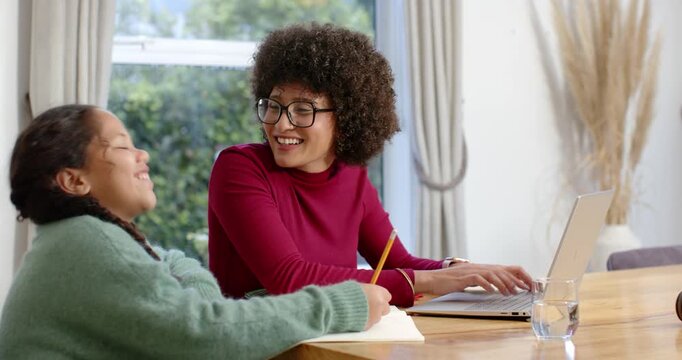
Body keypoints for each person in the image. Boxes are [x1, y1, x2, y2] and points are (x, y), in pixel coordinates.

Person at [0, 104, 391, 359]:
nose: (143, 155)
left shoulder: (82, 239)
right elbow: (205, 335)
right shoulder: (89, 242)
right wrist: (343, 305)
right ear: (73, 180)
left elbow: (174, 267)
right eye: (122, 147)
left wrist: (205, 313)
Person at [208, 23, 533, 308]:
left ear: (346, 117)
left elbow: (397, 262)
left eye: (303, 110)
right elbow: (289, 278)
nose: (280, 125)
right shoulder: (239, 168)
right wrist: (431, 281)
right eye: (273, 107)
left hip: (335, 343)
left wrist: (462, 270)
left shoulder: (352, 177)